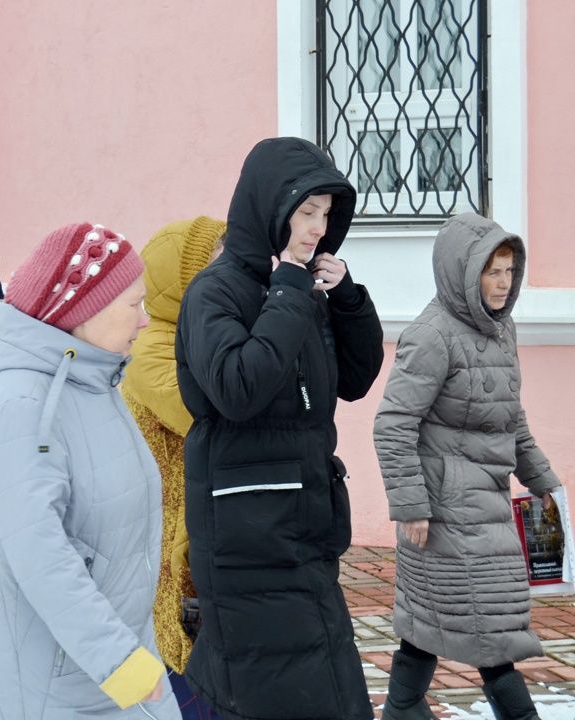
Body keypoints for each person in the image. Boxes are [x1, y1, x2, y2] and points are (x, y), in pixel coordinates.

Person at [175, 137, 384, 719]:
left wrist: (345, 299)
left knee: (323, 682)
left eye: (327, 213)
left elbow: (355, 379)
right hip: (247, 533)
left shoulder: (298, 287)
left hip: (304, 523)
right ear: (271, 206)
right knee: (272, 688)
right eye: (307, 211)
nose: (318, 228)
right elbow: (238, 389)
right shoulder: (216, 291)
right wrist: (289, 289)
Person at [0, 221, 177, 719]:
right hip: (54, 681)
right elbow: (39, 551)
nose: (144, 320)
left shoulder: (93, 381)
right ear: (84, 310)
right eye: (134, 305)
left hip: (103, 665)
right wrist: (118, 660)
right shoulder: (24, 403)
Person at [374, 213, 562, 719]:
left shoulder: (501, 329)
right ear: (462, 271)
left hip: (489, 507)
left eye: (509, 271)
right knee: (490, 631)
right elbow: (393, 424)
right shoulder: (432, 335)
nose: (503, 283)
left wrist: (542, 481)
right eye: (491, 271)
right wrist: (411, 505)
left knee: (437, 622)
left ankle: (401, 708)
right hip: (443, 514)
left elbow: (510, 418)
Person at [122, 216, 226, 718]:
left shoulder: (200, 334)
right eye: (217, 266)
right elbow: (208, 416)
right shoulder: (153, 347)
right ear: (181, 279)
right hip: (169, 523)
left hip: (201, 515)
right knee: (177, 643)